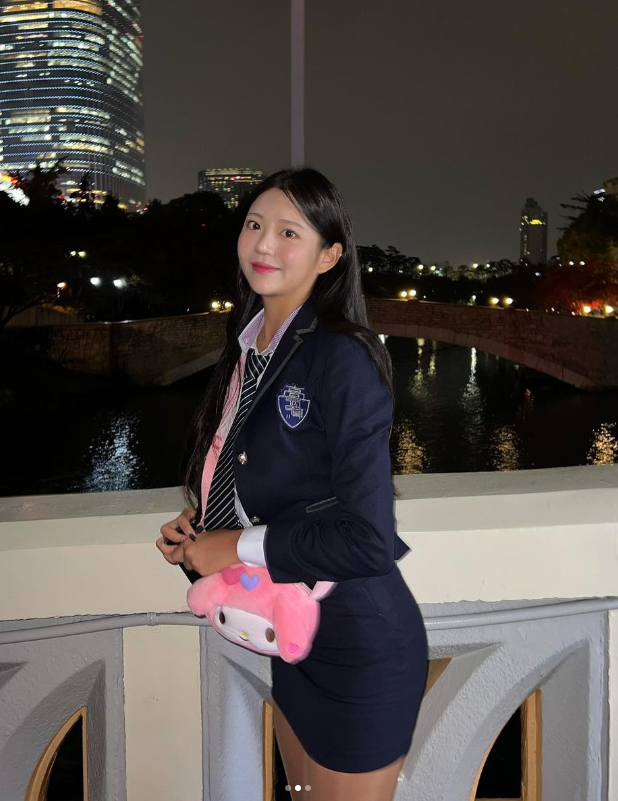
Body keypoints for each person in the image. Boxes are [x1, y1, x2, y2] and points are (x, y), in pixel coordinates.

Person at [156, 167, 428, 801]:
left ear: (329, 256)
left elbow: (367, 539)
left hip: (358, 642)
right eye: (254, 225)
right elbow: (268, 478)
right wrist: (202, 530)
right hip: (288, 634)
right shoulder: (249, 346)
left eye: (288, 232)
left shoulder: (341, 356)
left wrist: (234, 546)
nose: (263, 244)